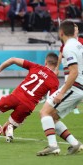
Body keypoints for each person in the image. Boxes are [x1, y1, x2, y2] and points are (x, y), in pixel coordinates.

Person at [0, 53, 59, 142]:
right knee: (5, 131)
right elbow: (52, 100)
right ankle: (10, 127)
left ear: (45, 61)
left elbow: (13, 59)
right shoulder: (55, 81)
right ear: (56, 64)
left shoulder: (36, 66)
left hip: (15, 97)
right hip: (28, 106)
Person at [36, 20, 83, 156]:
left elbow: (73, 72)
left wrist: (62, 92)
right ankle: (74, 144)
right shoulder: (78, 45)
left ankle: (53, 146)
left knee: (44, 112)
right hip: (78, 87)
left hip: (73, 87)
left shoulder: (69, 48)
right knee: (52, 117)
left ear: (61, 32)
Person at [55, 23, 83, 114]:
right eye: (74, 29)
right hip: (69, 68)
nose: (75, 31)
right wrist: (57, 68)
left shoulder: (81, 41)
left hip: (80, 69)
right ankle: (74, 107)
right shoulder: (66, 44)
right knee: (70, 86)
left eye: (76, 29)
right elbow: (60, 55)